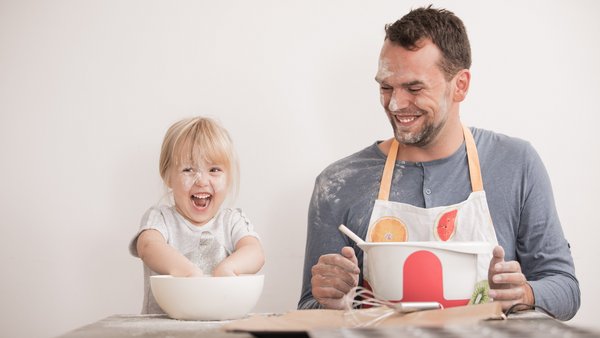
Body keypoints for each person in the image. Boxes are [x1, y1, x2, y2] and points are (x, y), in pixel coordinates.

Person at [298, 6, 580, 320]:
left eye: (414, 88)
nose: (395, 103)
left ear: (460, 85)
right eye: (386, 87)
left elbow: (566, 289)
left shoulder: (516, 164)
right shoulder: (337, 183)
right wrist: (330, 300)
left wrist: (525, 293)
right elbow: (309, 307)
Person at [129, 116, 265, 314]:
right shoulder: (160, 218)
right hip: (163, 330)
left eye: (214, 170)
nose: (201, 180)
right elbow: (148, 247)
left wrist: (228, 268)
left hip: (220, 327)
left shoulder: (232, 221)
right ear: (167, 175)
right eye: (188, 169)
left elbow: (255, 253)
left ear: (228, 177)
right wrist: (188, 273)